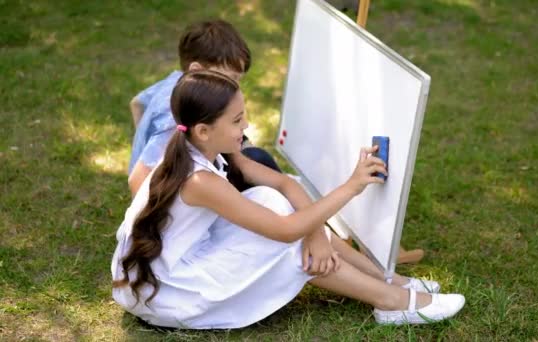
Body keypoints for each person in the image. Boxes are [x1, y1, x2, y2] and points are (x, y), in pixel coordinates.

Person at [111, 70, 465, 329]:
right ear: (204, 130)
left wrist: (315, 234)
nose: (246, 124)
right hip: (166, 291)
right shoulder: (199, 179)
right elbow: (284, 232)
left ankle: (388, 280)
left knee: (272, 199)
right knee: (291, 246)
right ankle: (392, 302)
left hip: (178, 261)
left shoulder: (206, 148)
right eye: (237, 120)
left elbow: (284, 184)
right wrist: (351, 186)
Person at [128, 19, 280, 196]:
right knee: (257, 158)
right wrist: (149, 216)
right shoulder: (174, 116)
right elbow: (137, 180)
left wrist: (142, 143)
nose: (235, 87)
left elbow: (137, 103)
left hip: (190, 176)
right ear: (195, 70)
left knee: (250, 156)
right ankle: (296, 213)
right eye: (230, 78)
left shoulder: (175, 82)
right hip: (181, 195)